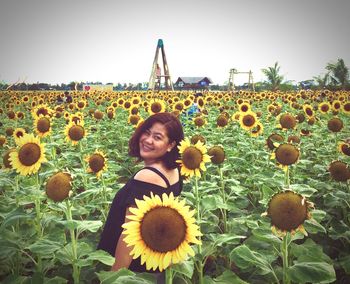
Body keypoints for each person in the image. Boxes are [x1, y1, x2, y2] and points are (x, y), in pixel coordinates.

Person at [97, 112, 184, 282]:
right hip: (154, 261)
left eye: (157, 137)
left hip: (133, 272)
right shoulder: (174, 171)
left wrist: (115, 276)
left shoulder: (147, 177)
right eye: (147, 132)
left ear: (171, 145)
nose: (147, 140)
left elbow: (129, 237)